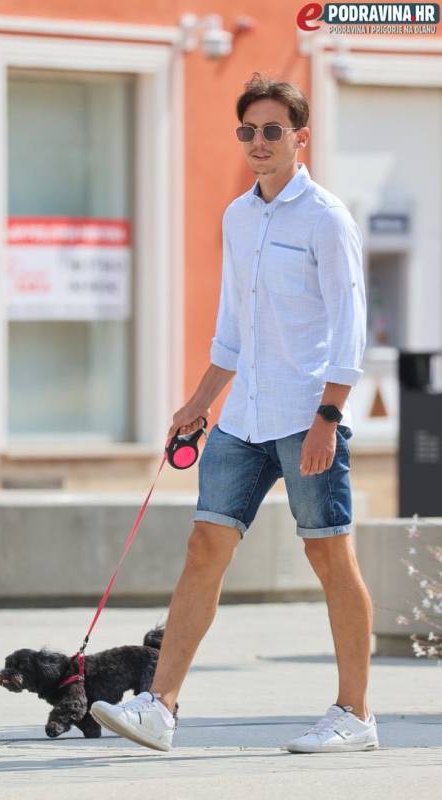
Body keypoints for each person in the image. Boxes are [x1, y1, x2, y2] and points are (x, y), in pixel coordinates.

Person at [90, 73, 378, 754]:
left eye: (272, 130)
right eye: (247, 130)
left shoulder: (326, 218)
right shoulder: (237, 216)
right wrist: (198, 402)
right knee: (204, 547)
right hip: (241, 418)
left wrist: (328, 419)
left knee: (329, 555)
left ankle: (355, 715)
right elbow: (231, 329)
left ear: (299, 138)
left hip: (305, 416)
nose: (258, 142)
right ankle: (160, 707)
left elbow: (350, 330)